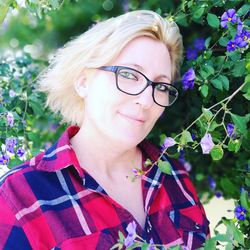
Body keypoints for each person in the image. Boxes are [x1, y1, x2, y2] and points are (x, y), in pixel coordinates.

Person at [0, 10, 210, 249]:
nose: (146, 100)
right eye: (129, 74)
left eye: (160, 86)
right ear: (83, 80)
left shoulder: (176, 177)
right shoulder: (18, 197)